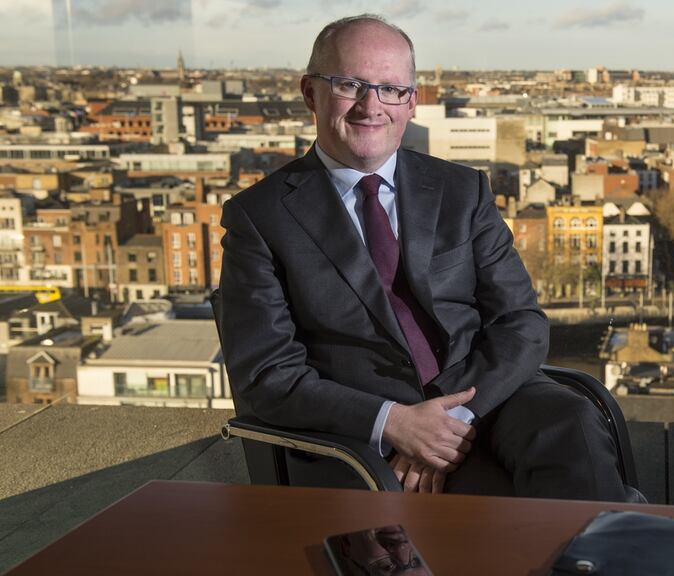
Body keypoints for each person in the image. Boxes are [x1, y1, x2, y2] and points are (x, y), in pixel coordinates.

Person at [218, 14, 627, 501]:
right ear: (311, 93)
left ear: (411, 102)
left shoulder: (462, 189)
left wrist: (447, 419)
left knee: (572, 421)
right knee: (505, 504)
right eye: (351, 84)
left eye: (391, 89)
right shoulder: (259, 217)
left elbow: (522, 322)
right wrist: (396, 424)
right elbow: (268, 375)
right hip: (362, 439)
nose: (372, 106)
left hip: (481, 400)